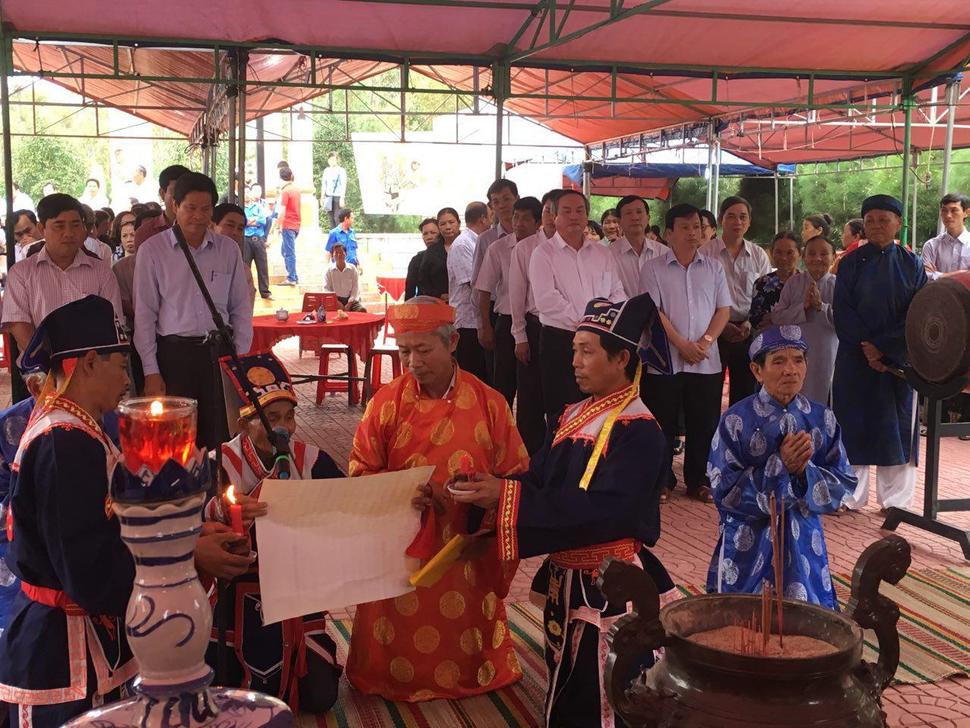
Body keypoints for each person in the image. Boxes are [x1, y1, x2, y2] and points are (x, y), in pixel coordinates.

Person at [452, 291, 676, 728]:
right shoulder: (573, 415)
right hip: (566, 577)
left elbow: (603, 513)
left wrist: (507, 497)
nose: (574, 360)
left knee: (603, 691)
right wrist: (486, 492)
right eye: (574, 349)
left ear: (621, 359)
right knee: (567, 675)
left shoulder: (641, 431)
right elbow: (539, 479)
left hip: (611, 583)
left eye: (587, 351)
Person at [345, 297, 529, 702]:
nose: (412, 362)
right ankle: (388, 673)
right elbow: (359, 470)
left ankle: (472, 669)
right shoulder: (385, 404)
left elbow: (516, 474)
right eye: (404, 351)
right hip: (401, 543)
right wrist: (397, 492)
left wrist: (491, 497)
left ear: (453, 343)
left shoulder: (490, 403)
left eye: (423, 350)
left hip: (463, 547)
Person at [0, 295, 136, 726]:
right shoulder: (66, 441)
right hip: (61, 645)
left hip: (71, 629)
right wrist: (175, 566)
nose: (127, 378)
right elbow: (87, 569)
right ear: (90, 363)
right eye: (120, 362)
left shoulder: (73, 425)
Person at [205, 351, 342, 713]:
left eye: (289, 416)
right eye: (271, 418)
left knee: (320, 697)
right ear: (244, 423)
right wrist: (224, 513)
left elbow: (348, 507)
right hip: (235, 595)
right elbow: (192, 527)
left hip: (297, 593)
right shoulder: (218, 463)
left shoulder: (313, 461)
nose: (283, 428)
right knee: (221, 697)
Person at [706, 326, 856, 611]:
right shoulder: (735, 420)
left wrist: (803, 473)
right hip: (747, 546)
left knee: (806, 627)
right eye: (778, 361)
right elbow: (723, 491)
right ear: (756, 370)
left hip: (804, 546)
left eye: (798, 360)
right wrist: (780, 466)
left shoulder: (822, 418)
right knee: (743, 630)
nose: (790, 369)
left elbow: (844, 480)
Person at [134, 172, 253, 449]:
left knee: (222, 436)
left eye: (205, 209)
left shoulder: (228, 250)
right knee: (176, 437)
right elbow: (145, 315)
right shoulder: (153, 251)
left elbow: (240, 309)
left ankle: (220, 490)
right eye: (190, 208)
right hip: (175, 357)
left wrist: (240, 361)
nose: (198, 216)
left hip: (219, 354)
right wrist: (151, 371)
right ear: (175, 205)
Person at [834, 194, 927, 511]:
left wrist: (885, 349)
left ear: (898, 223)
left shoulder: (912, 265)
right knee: (853, 425)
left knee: (896, 430)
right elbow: (842, 311)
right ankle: (849, 496)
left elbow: (918, 315)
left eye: (883, 219)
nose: (876, 225)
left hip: (897, 363)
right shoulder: (848, 264)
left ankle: (895, 501)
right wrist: (868, 349)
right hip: (855, 359)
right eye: (870, 219)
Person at [640, 203, 731, 503]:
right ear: (668, 233)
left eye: (698, 226)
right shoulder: (652, 268)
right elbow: (655, 312)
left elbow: (723, 310)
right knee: (662, 422)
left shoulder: (714, 267)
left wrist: (704, 343)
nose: (693, 233)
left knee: (703, 423)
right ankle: (662, 480)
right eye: (685, 227)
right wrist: (682, 345)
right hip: (665, 361)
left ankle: (699, 480)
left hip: (706, 362)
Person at [530, 189, 625, 421]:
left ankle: (594, 457)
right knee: (563, 412)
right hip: (561, 342)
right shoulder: (543, 254)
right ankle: (562, 457)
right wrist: (588, 324)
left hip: (602, 342)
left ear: (587, 216)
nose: (574, 216)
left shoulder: (603, 253)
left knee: (600, 410)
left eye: (579, 210)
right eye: (567, 210)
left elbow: (617, 291)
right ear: (554, 216)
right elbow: (547, 300)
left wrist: (613, 321)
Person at [2, 194, 123, 352]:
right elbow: (20, 327)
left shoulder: (102, 273)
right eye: (59, 226)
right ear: (41, 229)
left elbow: (113, 324)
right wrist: (56, 365)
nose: (68, 233)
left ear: (84, 227)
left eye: (75, 225)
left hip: (94, 367)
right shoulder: (21, 274)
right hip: (42, 370)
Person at [701, 196, 771, 405]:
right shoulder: (705, 254)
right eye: (731, 216)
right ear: (721, 220)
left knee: (746, 393)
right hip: (713, 332)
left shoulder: (758, 255)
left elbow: (766, 296)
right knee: (710, 392)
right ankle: (711, 437)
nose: (737, 222)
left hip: (748, 331)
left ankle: (740, 436)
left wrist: (751, 322)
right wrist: (721, 327)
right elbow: (699, 296)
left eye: (743, 217)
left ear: (749, 222)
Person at [508, 189, 562, 454]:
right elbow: (516, 296)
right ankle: (530, 457)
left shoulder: (578, 248)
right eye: (548, 210)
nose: (552, 216)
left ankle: (559, 454)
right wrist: (520, 336)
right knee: (530, 397)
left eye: (557, 210)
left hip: (566, 332)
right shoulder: (526, 248)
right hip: (535, 327)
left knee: (561, 395)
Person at [475, 196, 542, 407]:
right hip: (505, 321)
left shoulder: (547, 249)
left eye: (525, 219)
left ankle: (528, 435)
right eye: (516, 217)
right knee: (502, 385)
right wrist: (484, 325)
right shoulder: (498, 248)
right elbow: (483, 289)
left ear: (538, 222)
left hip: (535, 324)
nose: (518, 223)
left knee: (532, 388)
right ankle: (498, 434)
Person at [770, 236, 838, 405]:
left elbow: (846, 321)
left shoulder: (838, 285)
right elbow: (777, 317)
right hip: (795, 353)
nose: (817, 258)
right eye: (812, 254)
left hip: (828, 353)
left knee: (825, 402)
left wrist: (820, 306)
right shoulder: (794, 283)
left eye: (824, 254)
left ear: (834, 257)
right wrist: (803, 307)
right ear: (804, 257)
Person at [448, 202, 489, 381]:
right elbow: (474, 283)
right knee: (469, 378)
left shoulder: (478, 242)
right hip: (467, 321)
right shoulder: (463, 245)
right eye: (491, 216)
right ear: (483, 218)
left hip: (477, 320)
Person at [609, 194, 664, 298]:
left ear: (648, 218)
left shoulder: (663, 252)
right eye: (628, 213)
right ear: (619, 221)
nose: (635, 217)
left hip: (659, 314)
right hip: (623, 313)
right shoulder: (608, 255)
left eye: (639, 212)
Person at [471, 179, 519, 291]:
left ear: (517, 199)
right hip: (495, 305)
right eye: (496, 202)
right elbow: (476, 281)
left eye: (506, 199)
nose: (502, 205)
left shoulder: (530, 236)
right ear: (491, 206)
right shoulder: (485, 240)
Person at [748, 231, 802, 330]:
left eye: (790, 252)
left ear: (800, 254)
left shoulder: (807, 283)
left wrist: (773, 318)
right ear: (772, 253)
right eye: (778, 252)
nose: (784, 258)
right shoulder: (762, 283)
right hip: (770, 342)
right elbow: (755, 320)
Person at [212, 202, 257, 306]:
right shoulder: (195, 260)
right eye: (230, 225)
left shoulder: (243, 270)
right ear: (211, 225)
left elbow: (245, 311)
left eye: (240, 229)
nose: (235, 232)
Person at [133, 164, 191, 243]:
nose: (182, 197)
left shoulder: (200, 229)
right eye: (176, 191)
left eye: (187, 192)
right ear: (162, 194)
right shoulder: (146, 233)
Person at [922, 192, 970, 279]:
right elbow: (924, 276)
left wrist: (937, 275)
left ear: (966, 212)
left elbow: (931, 276)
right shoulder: (931, 245)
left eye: (954, 210)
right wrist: (962, 274)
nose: (948, 215)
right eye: (944, 210)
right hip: (938, 292)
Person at [243, 183, 272, 300]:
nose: (246, 195)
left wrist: (249, 221)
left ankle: (265, 292)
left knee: (262, 266)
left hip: (258, 239)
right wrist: (251, 221)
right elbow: (243, 222)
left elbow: (262, 221)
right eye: (244, 192)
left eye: (247, 192)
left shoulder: (258, 207)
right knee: (245, 266)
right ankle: (245, 292)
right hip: (245, 240)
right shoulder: (240, 208)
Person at [323, 242, 366, 311]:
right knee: (326, 314)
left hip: (351, 300)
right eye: (336, 253)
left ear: (345, 254)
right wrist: (337, 302)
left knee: (362, 310)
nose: (339, 255)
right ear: (332, 256)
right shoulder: (329, 270)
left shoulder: (352, 268)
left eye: (341, 252)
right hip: (334, 300)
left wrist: (349, 303)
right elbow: (326, 289)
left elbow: (355, 288)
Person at [405, 218, 441, 300]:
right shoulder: (416, 260)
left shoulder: (449, 256)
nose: (429, 237)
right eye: (425, 234)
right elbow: (409, 292)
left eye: (433, 233)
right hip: (423, 306)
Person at [278, 166, 301, 286]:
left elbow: (282, 210)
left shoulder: (285, 191)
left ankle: (291, 277)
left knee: (289, 252)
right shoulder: (296, 190)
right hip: (296, 224)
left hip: (288, 224)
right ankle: (294, 275)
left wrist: (277, 225)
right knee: (285, 250)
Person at [320, 152, 347, 229]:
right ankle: (333, 238)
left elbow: (343, 185)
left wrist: (342, 197)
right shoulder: (326, 171)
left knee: (337, 217)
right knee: (330, 218)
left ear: (337, 160)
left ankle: (339, 238)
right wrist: (322, 197)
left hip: (338, 196)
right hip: (328, 196)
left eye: (334, 159)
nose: (332, 161)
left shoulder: (341, 171)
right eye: (330, 159)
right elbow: (324, 184)